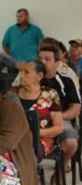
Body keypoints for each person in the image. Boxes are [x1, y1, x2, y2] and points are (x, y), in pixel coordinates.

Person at [37, 44, 80, 176]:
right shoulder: (31, 79)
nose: (42, 62)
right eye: (40, 59)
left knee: (71, 143)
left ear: (57, 63)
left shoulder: (66, 81)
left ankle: (61, 167)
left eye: (47, 59)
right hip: (34, 119)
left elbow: (76, 109)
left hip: (61, 118)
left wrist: (57, 118)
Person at [16, 60, 63, 157]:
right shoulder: (12, 93)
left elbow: (59, 128)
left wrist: (37, 133)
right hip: (14, 138)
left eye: (26, 72)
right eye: (21, 71)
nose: (21, 75)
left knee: (26, 153)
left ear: (40, 76)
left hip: (40, 140)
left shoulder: (50, 94)